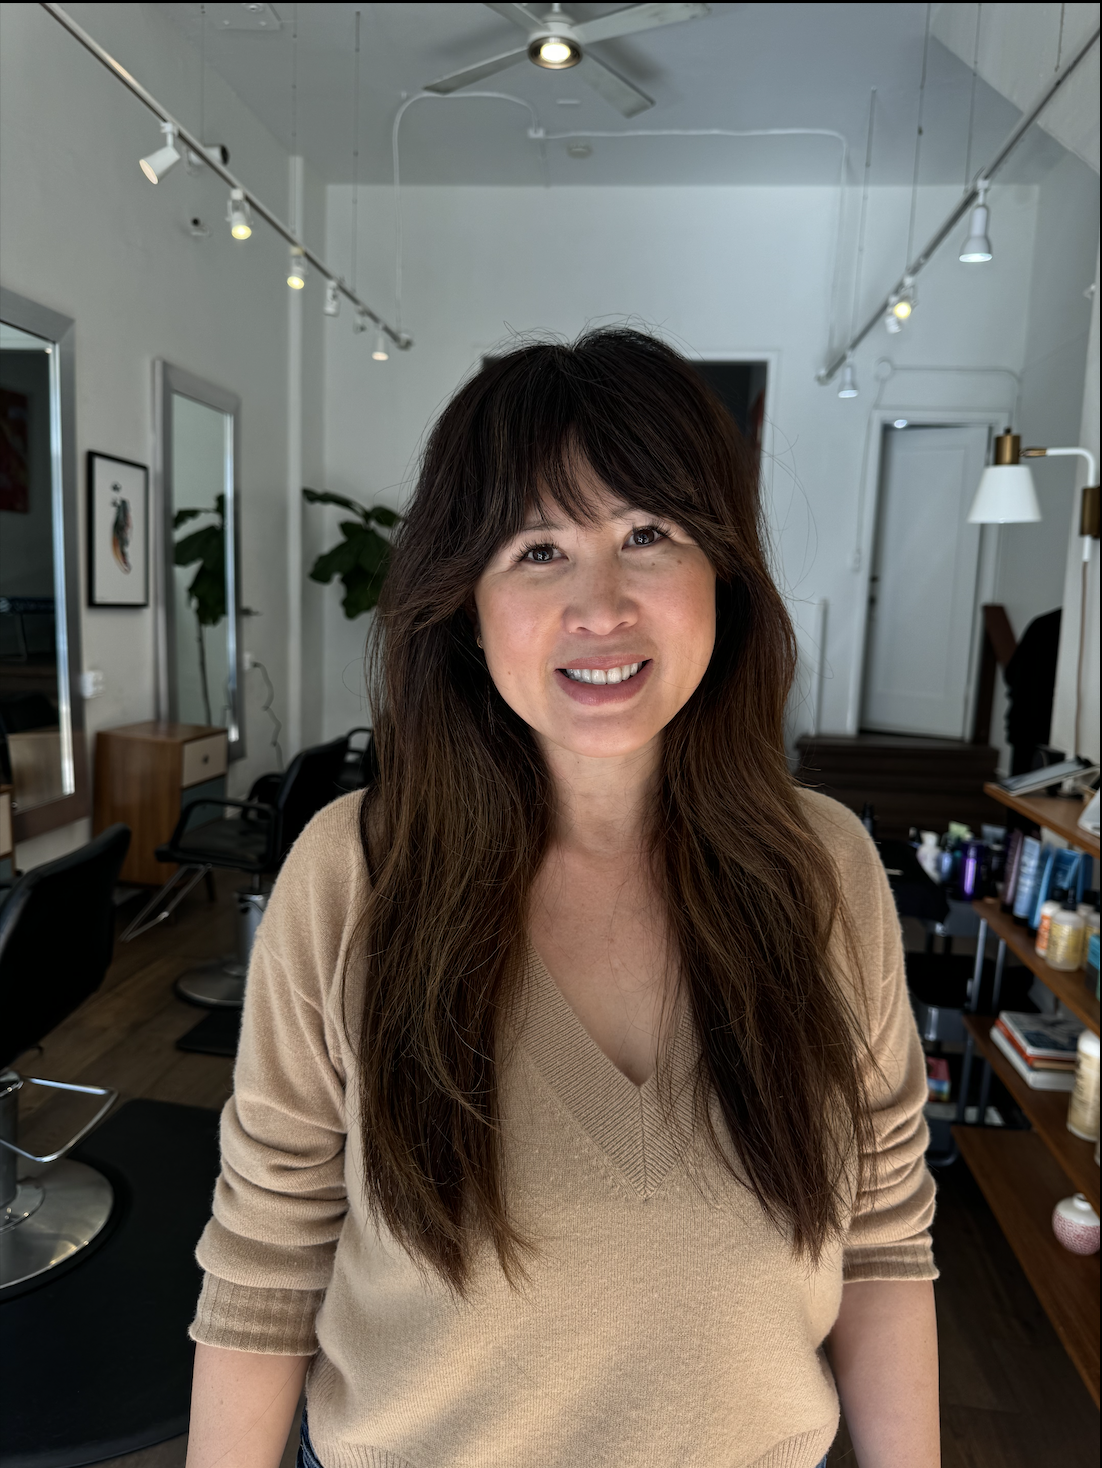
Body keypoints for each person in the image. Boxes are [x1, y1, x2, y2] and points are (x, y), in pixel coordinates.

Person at [185, 329, 939, 1468]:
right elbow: (266, 1256)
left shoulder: (821, 869)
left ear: (722, 576)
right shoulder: (357, 874)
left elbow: (882, 1234)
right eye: (537, 549)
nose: (601, 604)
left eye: (648, 534)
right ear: (466, 604)